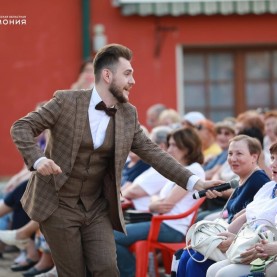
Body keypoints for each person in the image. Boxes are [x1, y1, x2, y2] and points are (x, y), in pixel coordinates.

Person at [10, 43, 221, 277]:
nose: (133, 81)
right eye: (127, 73)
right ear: (107, 75)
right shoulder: (66, 101)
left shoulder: (128, 114)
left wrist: (194, 182)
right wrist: (38, 161)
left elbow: (154, 152)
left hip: (97, 207)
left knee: (107, 268)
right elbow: (22, 127)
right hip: (58, 204)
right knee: (73, 273)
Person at [115, 126, 206, 277]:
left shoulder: (194, 170)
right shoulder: (180, 169)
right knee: (110, 233)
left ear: (188, 147)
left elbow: (164, 205)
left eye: (174, 145)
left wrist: (156, 203)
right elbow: (157, 199)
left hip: (170, 227)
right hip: (162, 222)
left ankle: (131, 274)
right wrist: (155, 203)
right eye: (169, 144)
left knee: (112, 236)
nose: (169, 149)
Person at [175, 134, 270, 277]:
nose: (233, 159)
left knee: (195, 261)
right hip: (224, 237)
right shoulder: (240, 179)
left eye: (239, 154)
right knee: (185, 255)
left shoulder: (259, 180)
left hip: (240, 245)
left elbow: (258, 222)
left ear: (254, 157)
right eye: (230, 153)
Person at [206, 141, 277, 277]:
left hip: (271, 254)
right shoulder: (269, 187)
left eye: (239, 153)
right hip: (256, 248)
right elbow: (247, 217)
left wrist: (272, 248)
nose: (272, 164)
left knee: (223, 274)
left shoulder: (259, 179)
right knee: (211, 270)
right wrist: (233, 238)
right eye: (273, 158)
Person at [121, 125, 172, 210]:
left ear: (161, 146)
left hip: (142, 216)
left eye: (149, 142)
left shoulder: (163, 169)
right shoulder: (155, 166)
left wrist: (116, 197)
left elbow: (133, 192)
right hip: (134, 212)